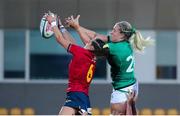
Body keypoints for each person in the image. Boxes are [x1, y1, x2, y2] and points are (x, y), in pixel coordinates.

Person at [65, 15, 154, 115]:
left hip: (122, 93)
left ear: (122, 35)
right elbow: (96, 36)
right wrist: (77, 27)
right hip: (131, 86)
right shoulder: (125, 43)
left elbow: (91, 45)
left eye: (114, 30)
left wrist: (77, 28)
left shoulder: (115, 49)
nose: (111, 32)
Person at [44, 12, 105, 115]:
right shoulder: (90, 56)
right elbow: (72, 44)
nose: (87, 39)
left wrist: (53, 23)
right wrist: (61, 27)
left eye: (90, 40)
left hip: (76, 96)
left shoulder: (82, 53)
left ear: (91, 46)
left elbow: (60, 39)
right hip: (83, 97)